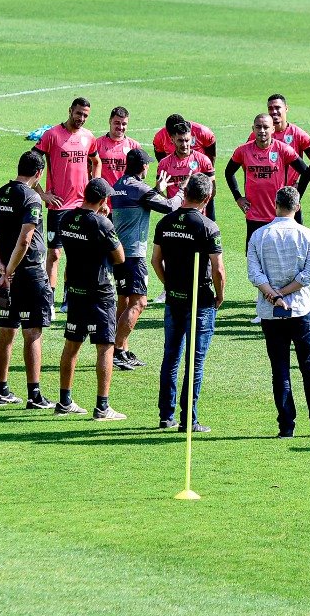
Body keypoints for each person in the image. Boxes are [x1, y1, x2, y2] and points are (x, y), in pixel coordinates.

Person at [248, 186, 310, 437]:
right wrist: (285, 293)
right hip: (300, 309)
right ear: (297, 207)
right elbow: (309, 274)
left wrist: (274, 296)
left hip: (270, 311)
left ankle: (286, 427)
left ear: (274, 204)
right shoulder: (307, 235)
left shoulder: (259, 235)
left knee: (280, 369)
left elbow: (254, 275)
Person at [152, 175, 225, 432]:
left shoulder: (165, 222)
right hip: (201, 300)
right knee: (195, 362)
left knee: (171, 357)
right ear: (206, 199)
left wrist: (168, 284)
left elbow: (155, 260)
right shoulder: (208, 226)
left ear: (185, 193)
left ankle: (165, 416)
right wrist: (220, 294)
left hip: (174, 299)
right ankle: (188, 420)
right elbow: (218, 269)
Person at [0, 151, 55, 408]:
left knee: (6, 330)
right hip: (27, 273)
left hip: (4, 273)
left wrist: (0, 268)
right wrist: (10, 270)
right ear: (39, 174)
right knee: (33, 331)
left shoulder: (0, 193)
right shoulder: (32, 197)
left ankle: (2, 390)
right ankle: (34, 395)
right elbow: (25, 240)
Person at [54, 178, 128, 421]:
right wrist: (105, 222)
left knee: (72, 344)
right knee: (105, 347)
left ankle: (64, 401)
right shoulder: (102, 223)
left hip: (75, 290)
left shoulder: (66, 218)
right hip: (99, 292)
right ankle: (102, 407)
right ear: (103, 200)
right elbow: (119, 257)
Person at [110, 149, 182, 370]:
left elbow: (141, 202)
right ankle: (118, 350)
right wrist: (181, 191)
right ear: (143, 167)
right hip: (134, 255)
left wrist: (155, 190)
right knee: (139, 302)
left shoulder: (119, 186)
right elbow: (169, 207)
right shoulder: (139, 189)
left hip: (119, 254)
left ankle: (121, 349)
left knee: (124, 302)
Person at [33, 97, 100, 312]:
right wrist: (42, 194)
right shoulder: (52, 135)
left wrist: (96, 190)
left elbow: (96, 161)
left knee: (79, 254)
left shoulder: (88, 137)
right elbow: (32, 163)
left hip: (83, 205)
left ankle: (69, 297)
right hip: (59, 206)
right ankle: (49, 300)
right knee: (54, 254)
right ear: (70, 110)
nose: (81, 118)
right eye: (78, 113)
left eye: (85, 115)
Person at [226, 113, 308, 253]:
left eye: (265, 127)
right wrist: (238, 197)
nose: (262, 131)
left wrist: (296, 193)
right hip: (254, 215)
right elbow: (229, 172)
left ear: (273, 129)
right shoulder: (243, 151)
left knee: (280, 256)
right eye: (258, 127)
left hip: (279, 216)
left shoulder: (283, 149)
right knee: (255, 258)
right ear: (253, 129)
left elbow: (305, 171)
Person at [263, 94, 310, 220]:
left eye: (277, 107)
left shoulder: (298, 134)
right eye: (270, 108)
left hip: (289, 199)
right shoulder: (260, 134)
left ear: (286, 108)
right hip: (266, 200)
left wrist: (300, 190)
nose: (274, 112)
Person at [95, 106, 141, 187]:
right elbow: (87, 170)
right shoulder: (97, 144)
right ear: (110, 121)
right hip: (104, 197)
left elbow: (139, 175)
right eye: (117, 123)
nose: (120, 127)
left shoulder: (134, 146)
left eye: (124, 124)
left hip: (125, 197)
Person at [153, 113, 217, 162]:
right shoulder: (160, 137)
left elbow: (211, 152)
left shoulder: (202, 132)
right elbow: (161, 158)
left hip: (197, 173)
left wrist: (209, 174)